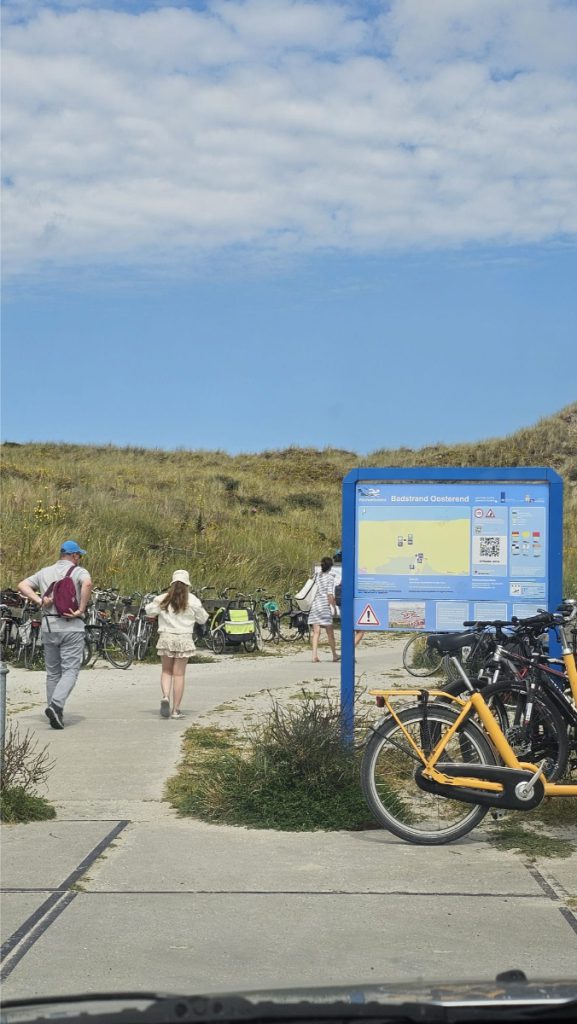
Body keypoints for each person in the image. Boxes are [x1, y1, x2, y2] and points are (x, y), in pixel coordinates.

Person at [18, 540, 92, 730]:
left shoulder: (44, 572)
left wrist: (39, 600)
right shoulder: (79, 572)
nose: (79, 559)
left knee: (52, 672)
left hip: (49, 626)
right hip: (71, 625)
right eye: (79, 556)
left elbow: (23, 585)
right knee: (70, 670)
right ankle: (56, 705)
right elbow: (87, 584)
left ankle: (55, 712)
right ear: (74, 555)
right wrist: (81, 609)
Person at [145, 570, 208, 719]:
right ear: (187, 584)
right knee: (179, 674)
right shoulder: (193, 600)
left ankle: (165, 696)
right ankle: (176, 710)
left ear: (172, 583)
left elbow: (149, 611)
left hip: (166, 636)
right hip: (184, 638)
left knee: (166, 671)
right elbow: (202, 619)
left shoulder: (163, 599)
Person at [308, 556, 340, 663]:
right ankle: (334, 655)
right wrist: (334, 608)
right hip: (324, 607)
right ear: (330, 566)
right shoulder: (330, 578)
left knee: (316, 633)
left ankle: (314, 656)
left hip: (315, 606)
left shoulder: (316, 576)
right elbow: (330, 595)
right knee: (330, 633)